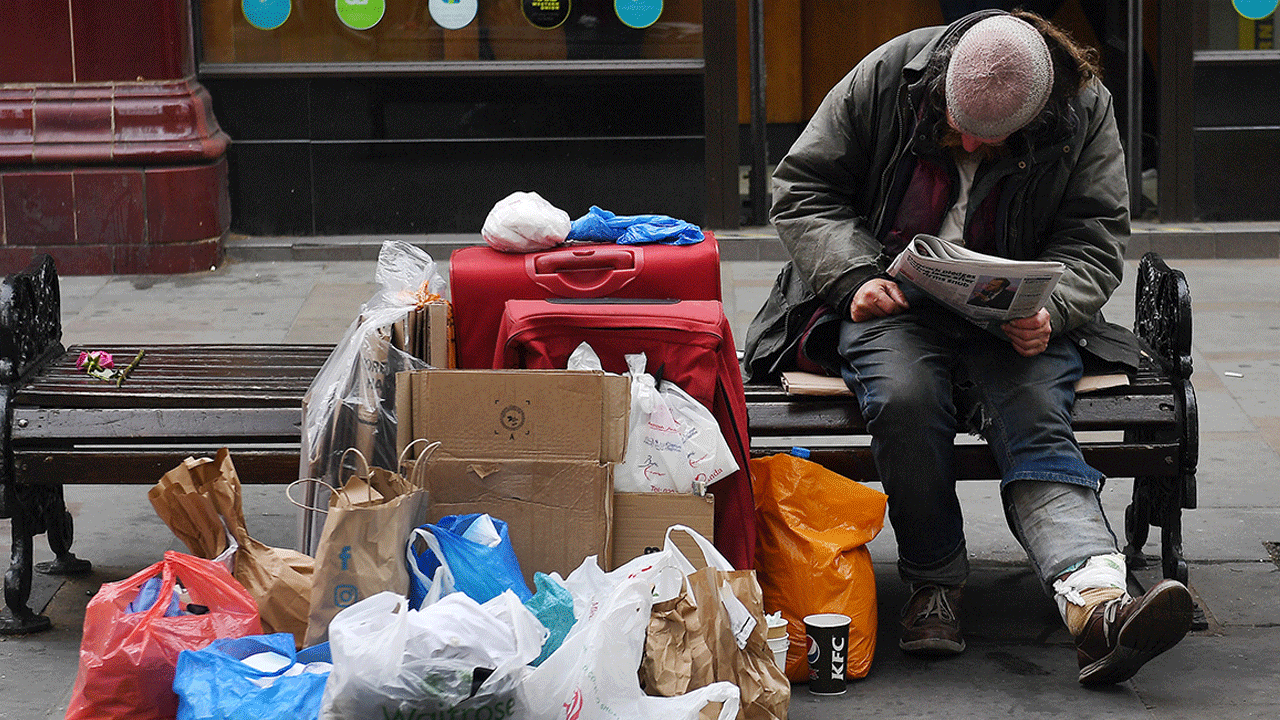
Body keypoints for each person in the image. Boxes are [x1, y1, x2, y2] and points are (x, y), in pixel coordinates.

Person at [740, 9, 1193, 685]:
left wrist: (1051, 308)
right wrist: (854, 277)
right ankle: (934, 583)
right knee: (903, 397)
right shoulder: (891, 74)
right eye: (960, 130)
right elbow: (803, 188)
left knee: (1036, 410)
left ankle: (1096, 606)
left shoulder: (1083, 109)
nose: (972, 149)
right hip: (889, 300)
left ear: (1037, 114)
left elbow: (1094, 234)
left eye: (994, 139)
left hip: (1013, 312)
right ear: (946, 86)